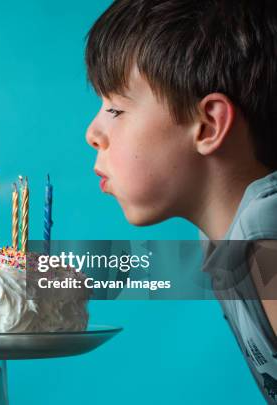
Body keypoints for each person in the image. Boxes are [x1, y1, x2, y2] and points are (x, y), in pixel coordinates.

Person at [83, 0, 277, 402]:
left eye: (116, 109)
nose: (93, 132)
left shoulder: (268, 239)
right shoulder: (233, 242)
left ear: (207, 125)